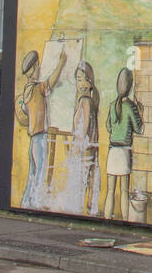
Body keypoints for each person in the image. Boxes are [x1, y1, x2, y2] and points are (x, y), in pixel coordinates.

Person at [15, 47, 67, 208]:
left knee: (32, 172)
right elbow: (52, 81)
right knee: (40, 173)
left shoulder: (27, 91)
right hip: (40, 138)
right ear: (33, 69)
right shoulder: (38, 89)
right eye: (37, 66)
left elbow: (24, 109)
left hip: (33, 139)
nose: (39, 68)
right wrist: (62, 62)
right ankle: (35, 203)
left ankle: (26, 202)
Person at [103, 67, 143, 219]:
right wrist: (141, 113)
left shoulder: (113, 105)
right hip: (124, 152)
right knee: (124, 192)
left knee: (110, 191)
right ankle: (125, 221)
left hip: (112, 151)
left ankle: (107, 221)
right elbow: (139, 129)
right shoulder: (131, 106)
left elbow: (108, 126)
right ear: (130, 86)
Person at [70, 62, 101, 216]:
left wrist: (78, 145)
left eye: (84, 79)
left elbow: (85, 125)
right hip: (88, 146)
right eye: (78, 79)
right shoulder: (86, 100)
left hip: (85, 147)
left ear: (90, 82)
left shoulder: (85, 101)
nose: (81, 84)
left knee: (83, 179)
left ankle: (82, 209)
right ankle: (85, 209)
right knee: (86, 179)